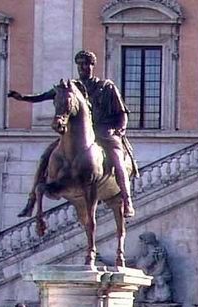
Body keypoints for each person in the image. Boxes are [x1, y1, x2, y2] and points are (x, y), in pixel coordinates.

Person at [8, 50, 137, 218]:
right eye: (80, 64)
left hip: (103, 130)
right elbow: (44, 96)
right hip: (78, 134)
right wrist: (23, 98)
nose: (83, 67)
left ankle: (127, 200)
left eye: (86, 64)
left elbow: (122, 112)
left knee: (117, 160)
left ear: (92, 66)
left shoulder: (106, 87)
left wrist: (120, 129)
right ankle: (31, 199)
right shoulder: (71, 88)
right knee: (46, 156)